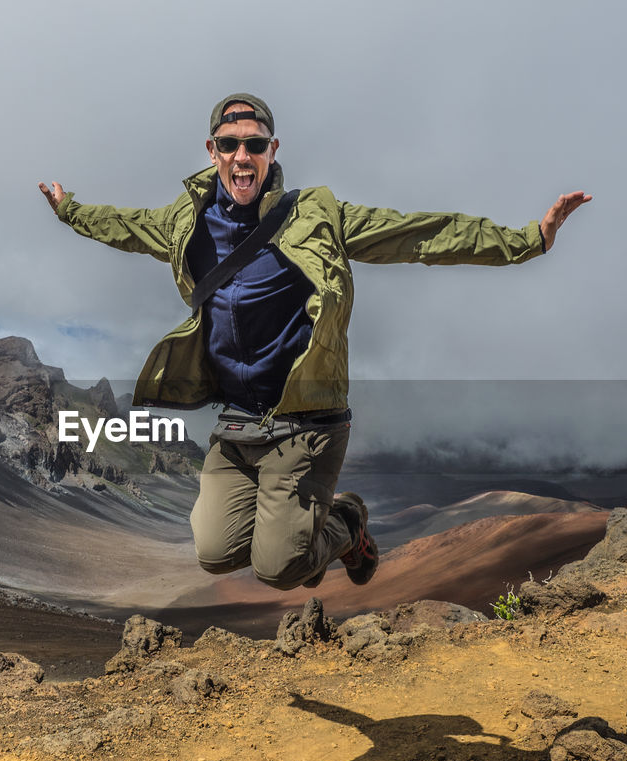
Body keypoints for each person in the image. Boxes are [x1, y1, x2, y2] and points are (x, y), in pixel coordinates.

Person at [39, 92, 590, 592]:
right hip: (237, 424)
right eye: (230, 145)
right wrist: (70, 211)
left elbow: (419, 234)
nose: (242, 156)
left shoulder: (316, 215)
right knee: (215, 553)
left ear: (272, 150)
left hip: (307, 422)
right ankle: (306, 525)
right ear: (212, 151)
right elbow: (125, 225)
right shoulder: (187, 221)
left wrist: (527, 240)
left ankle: (346, 525)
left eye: (253, 145)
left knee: (280, 568)